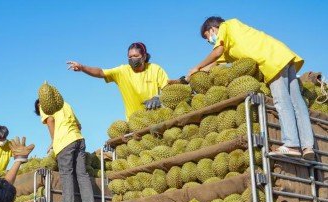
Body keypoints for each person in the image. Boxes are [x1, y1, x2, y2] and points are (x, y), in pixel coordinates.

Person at [188, 16, 315, 160]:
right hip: (282, 55)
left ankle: (292, 144)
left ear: (212, 29)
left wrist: (197, 66)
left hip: (271, 60)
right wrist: (191, 75)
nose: (209, 41)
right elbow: (215, 62)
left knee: (281, 100)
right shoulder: (231, 43)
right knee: (297, 102)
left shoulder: (227, 25)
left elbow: (217, 52)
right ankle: (307, 146)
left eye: (208, 37)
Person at [67, 42, 169, 120]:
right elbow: (101, 72)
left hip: (155, 116)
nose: (133, 59)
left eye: (136, 56)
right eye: (130, 57)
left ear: (144, 56)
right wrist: (82, 67)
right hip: (134, 122)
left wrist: (158, 97)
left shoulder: (155, 69)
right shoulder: (122, 71)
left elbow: (167, 88)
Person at [34, 99, 97, 202]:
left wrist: (53, 140)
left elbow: (50, 120)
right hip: (79, 139)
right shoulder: (65, 104)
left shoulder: (44, 104)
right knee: (82, 173)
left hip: (64, 142)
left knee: (66, 173)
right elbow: (79, 125)